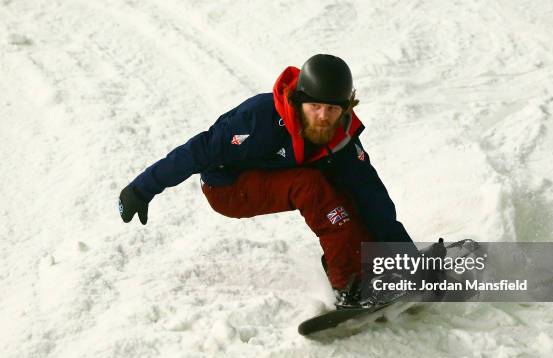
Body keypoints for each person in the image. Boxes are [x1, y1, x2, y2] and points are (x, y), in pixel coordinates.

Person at [118, 54, 420, 308]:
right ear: (299, 101)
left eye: (332, 109)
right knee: (311, 185)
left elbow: (371, 196)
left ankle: (374, 264)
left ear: (346, 108)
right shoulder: (258, 120)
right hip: (228, 187)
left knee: (348, 190)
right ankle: (349, 285)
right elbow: (197, 152)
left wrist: (406, 256)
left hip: (281, 175)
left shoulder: (341, 138)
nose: (323, 117)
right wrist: (140, 190)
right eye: (314, 107)